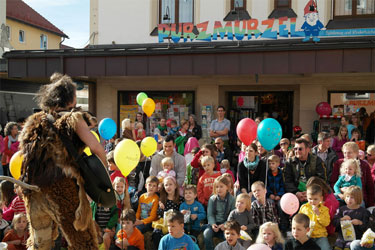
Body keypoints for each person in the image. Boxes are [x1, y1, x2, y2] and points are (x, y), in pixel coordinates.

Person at [17, 73, 106, 249]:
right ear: (70, 98)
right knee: (84, 243)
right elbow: (96, 147)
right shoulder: (73, 119)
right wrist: (103, 178)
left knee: (39, 245)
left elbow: (24, 157)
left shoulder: (33, 121)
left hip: (33, 190)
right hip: (61, 191)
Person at [330, 142, 374, 207]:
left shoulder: (364, 165)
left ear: (356, 153)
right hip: (342, 195)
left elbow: (370, 186)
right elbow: (333, 182)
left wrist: (370, 205)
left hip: (358, 196)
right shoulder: (339, 163)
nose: (346, 155)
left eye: (349, 153)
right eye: (345, 153)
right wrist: (340, 190)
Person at [284, 138, 327, 203]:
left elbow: (322, 180)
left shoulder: (317, 161)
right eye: (295, 149)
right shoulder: (289, 162)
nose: (297, 151)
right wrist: (296, 192)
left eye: (300, 149)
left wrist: (310, 192)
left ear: (308, 149)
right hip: (295, 193)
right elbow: (287, 181)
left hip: (313, 193)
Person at [204, 176, 235, 250]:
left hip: (226, 224)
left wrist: (224, 224)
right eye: (217, 187)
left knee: (227, 237)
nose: (219, 189)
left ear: (227, 187)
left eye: (221, 186)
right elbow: (210, 214)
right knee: (206, 234)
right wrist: (213, 224)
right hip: (214, 224)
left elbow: (232, 215)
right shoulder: (212, 199)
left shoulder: (232, 199)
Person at [152, 176, 184, 248]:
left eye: (170, 184)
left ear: (175, 186)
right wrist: (161, 208)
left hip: (175, 223)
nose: (168, 187)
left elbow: (181, 214)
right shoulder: (162, 199)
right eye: (166, 185)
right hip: (164, 222)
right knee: (156, 233)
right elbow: (158, 213)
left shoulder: (181, 199)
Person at [299, 184, 330, 250]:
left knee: (325, 248)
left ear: (321, 198)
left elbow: (326, 223)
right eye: (310, 199)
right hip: (307, 236)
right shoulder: (304, 208)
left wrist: (318, 214)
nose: (312, 201)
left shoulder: (324, 209)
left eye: (315, 199)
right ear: (307, 197)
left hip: (320, 236)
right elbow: (299, 221)